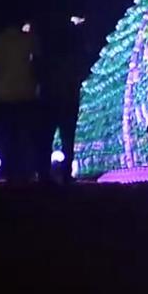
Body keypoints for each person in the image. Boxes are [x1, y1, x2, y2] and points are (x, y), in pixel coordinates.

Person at [37, 15, 93, 183]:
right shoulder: (72, 59)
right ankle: (65, 174)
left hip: (50, 99)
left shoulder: (49, 59)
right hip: (67, 100)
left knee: (46, 139)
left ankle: (44, 174)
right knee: (67, 139)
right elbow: (79, 73)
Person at [0, 20, 40, 183]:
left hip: (3, 93)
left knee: (6, 135)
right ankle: (22, 171)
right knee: (22, 134)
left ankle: (9, 170)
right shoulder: (28, 40)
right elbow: (36, 63)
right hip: (25, 92)